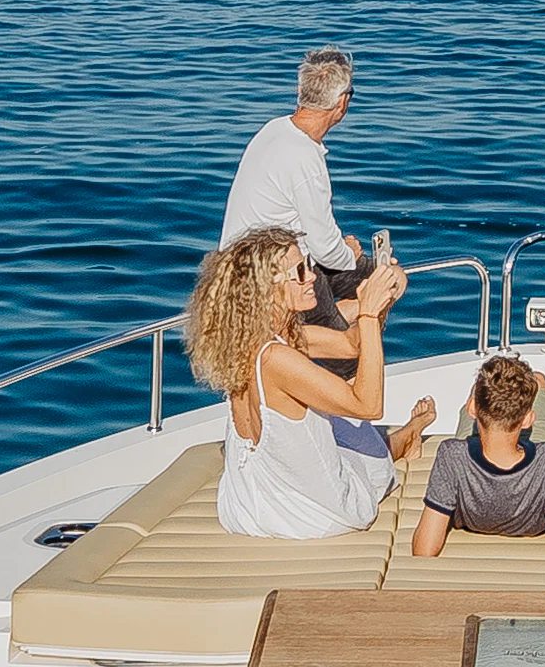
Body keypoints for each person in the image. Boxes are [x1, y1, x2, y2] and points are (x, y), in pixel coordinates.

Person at [184, 220, 434, 541]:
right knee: (363, 442)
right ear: (270, 288)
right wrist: (369, 314)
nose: (313, 277)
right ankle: (408, 437)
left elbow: (351, 345)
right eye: (301, 271)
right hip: (309, 515)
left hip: (247, 505)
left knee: (337, 420)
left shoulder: (253, 339)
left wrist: (380, 300)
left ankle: (404, 438)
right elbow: (369, 405)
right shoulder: (275, 358)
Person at [221, 46, 394, 455]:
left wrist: (344, 255)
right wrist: (354, 257)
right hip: (277, 277)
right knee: (381, 285)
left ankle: (347, 315)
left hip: (242, 270)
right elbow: (326, 250)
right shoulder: (304, 158)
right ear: (342, 102)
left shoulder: (275, 131)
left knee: (371, 280)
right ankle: (343, 416)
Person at [409, 350, 545, 563]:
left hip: (473, 452)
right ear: (528, 420)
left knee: (479, 389)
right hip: (530, 451)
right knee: (538, 379)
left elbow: (424, 550)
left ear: (472, 408)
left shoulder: (452, 455)